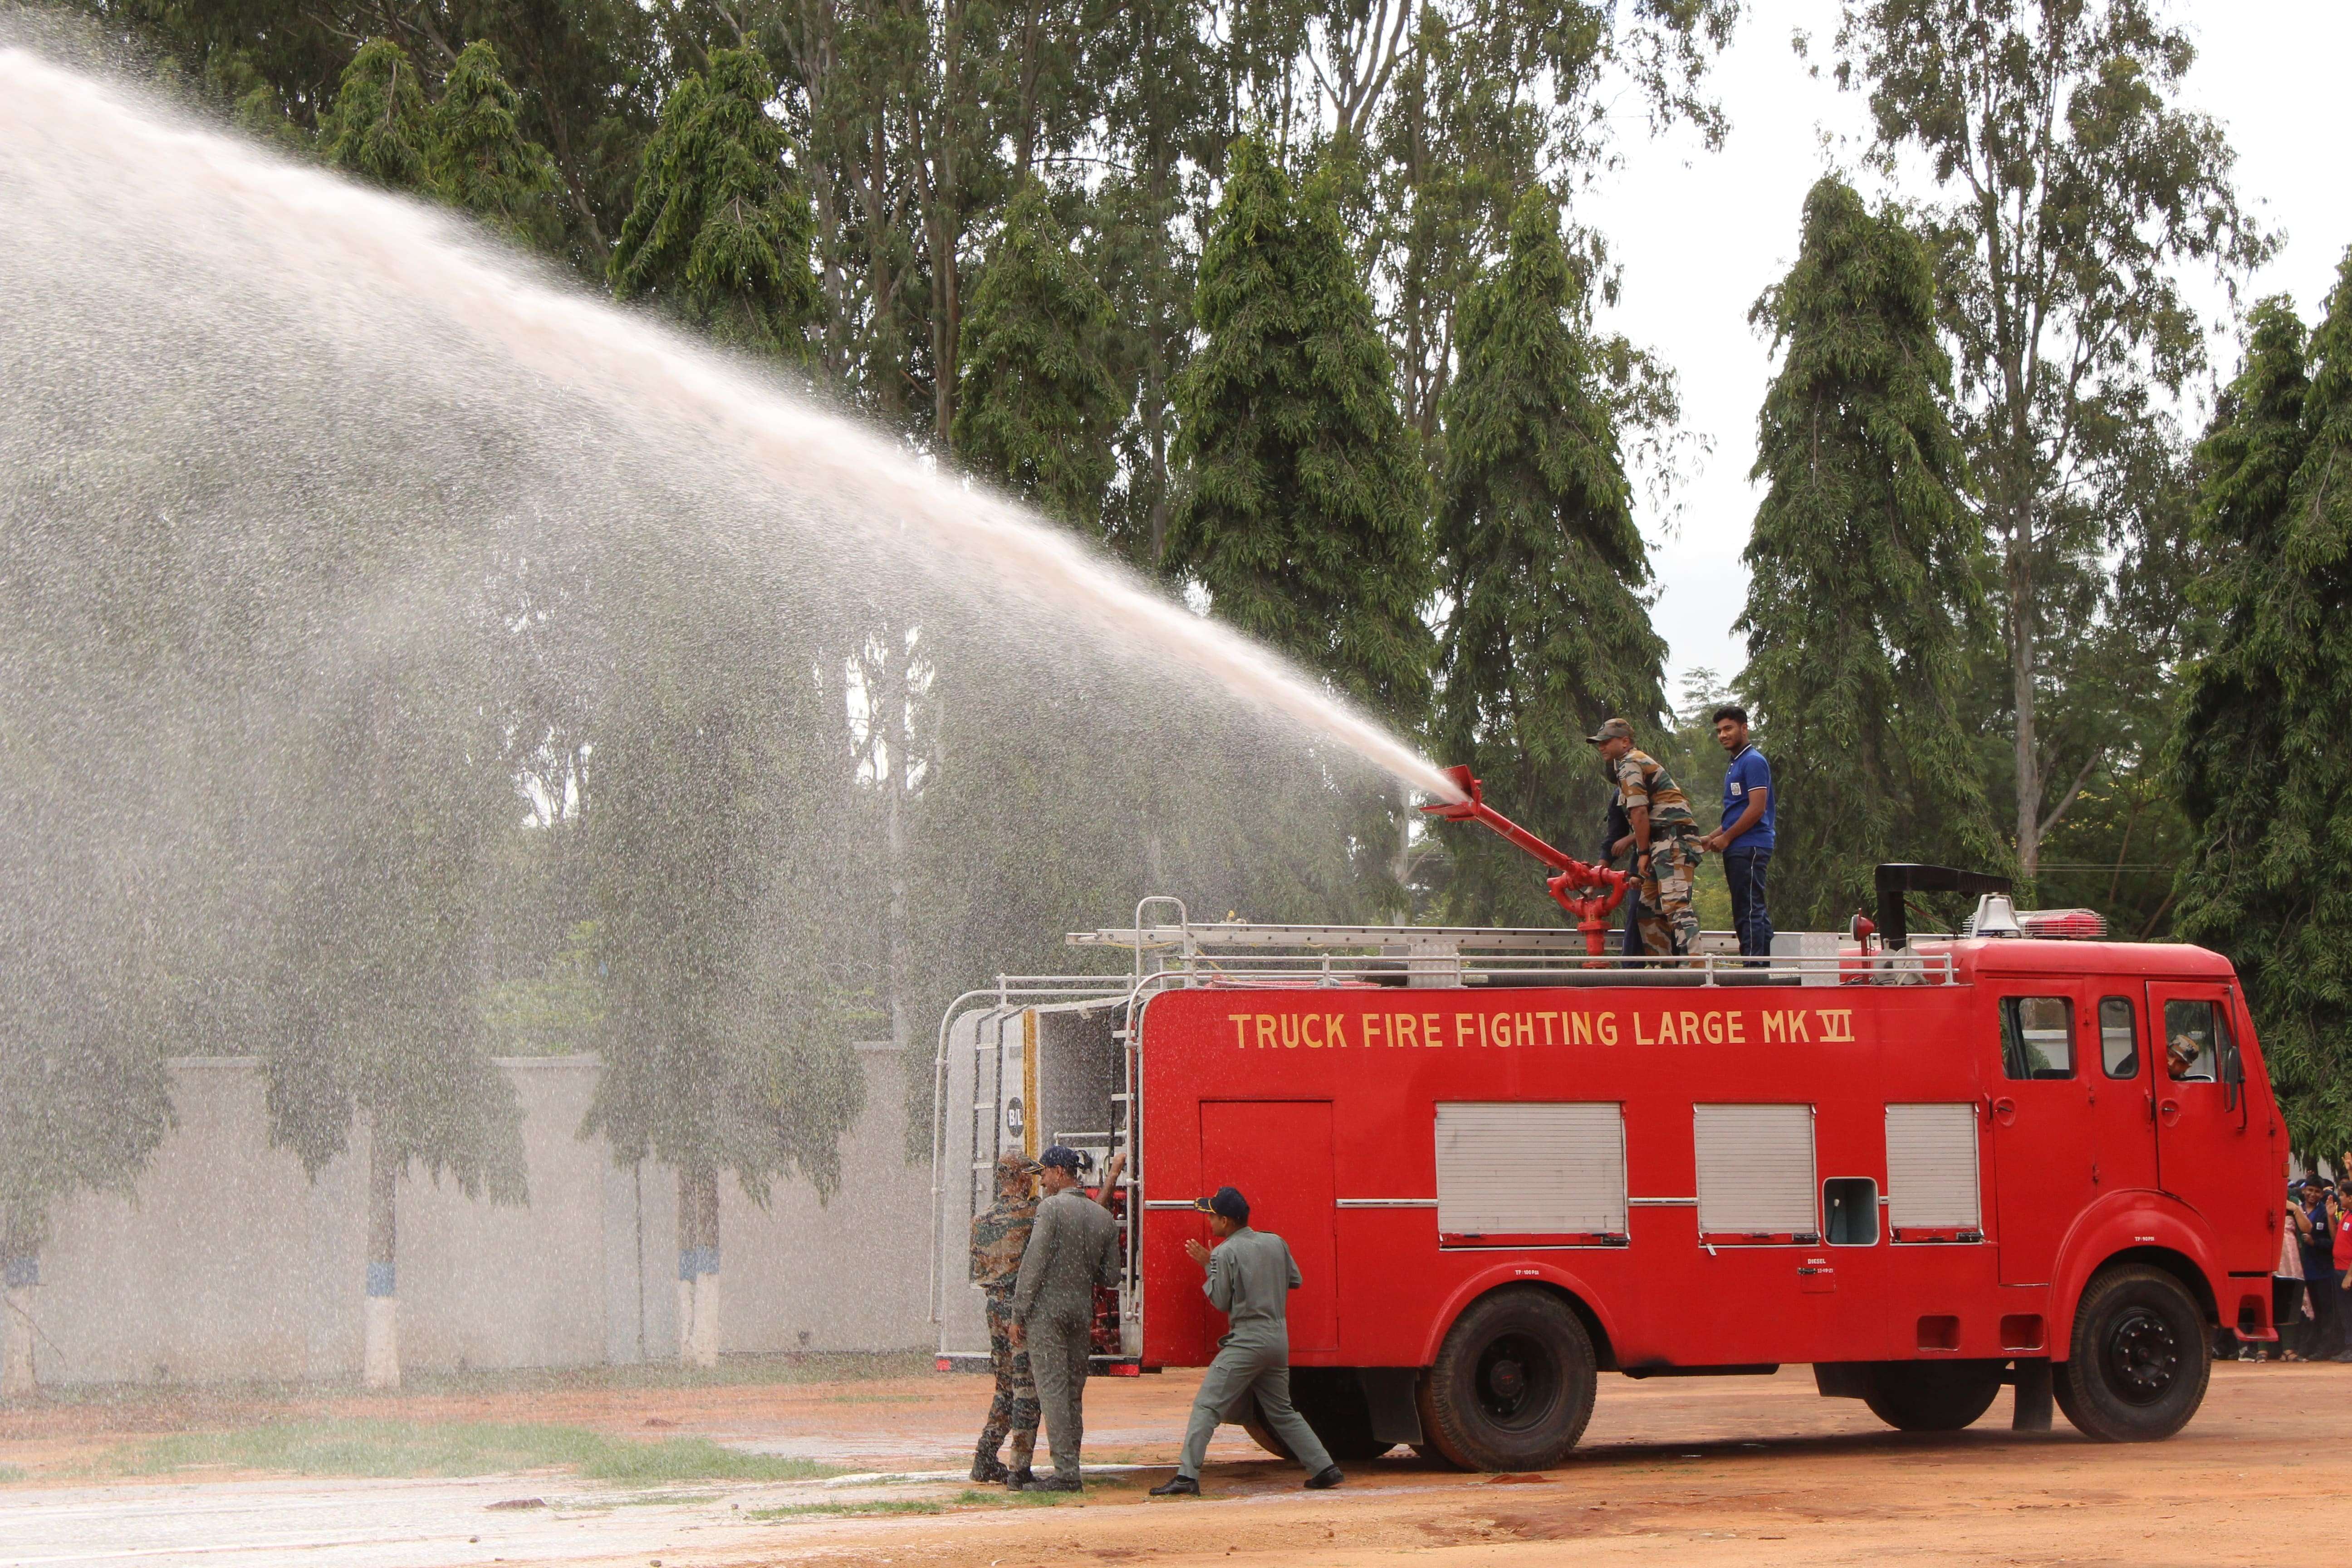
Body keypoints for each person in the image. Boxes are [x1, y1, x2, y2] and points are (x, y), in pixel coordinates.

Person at [1150, 1187, 1343, 1497]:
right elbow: (1296, 1280)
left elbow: (1220, 1300)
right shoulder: (1275, 1242)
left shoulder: (1225, 1252)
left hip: (1248, 1340)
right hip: (1278, 1338)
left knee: (1207, 1406)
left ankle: (1187, 1477)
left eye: (1212, 1216)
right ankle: (1324, 1468)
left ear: (1226, 1222)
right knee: (1282, 1411)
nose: (1209, 1221)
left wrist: (1208, 1264)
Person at [1009, 1145, 1121, 1491]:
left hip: (1048, 1313)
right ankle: (1071, 1464)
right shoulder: (1101, 1217)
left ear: (1059, 1173)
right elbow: (1112, 1277)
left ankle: (1066, 1474)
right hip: (1080, 1311)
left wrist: (1018, 1313)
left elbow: (1033, 1265)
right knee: (1073, 1393)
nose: (1041, 1181)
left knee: (1053, 1392)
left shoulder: (1051, 1209)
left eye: (1044, 1173)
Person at [1588, 717, 1700, 957]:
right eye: (1600, 743)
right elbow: (1622, 827)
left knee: (1676, 906)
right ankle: (1661, 970)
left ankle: (1696, 968)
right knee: (1648, 909)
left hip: (1672, 841)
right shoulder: (1626, 766)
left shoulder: (1630, 762)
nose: (1602, 747)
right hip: (1660, 842)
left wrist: (1643, 853)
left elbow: (1639, 811)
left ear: (1625, 742)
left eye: (1607, 741)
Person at [967, 1152, 1044, 1483]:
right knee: (1028, 1389)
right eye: (1030, 1175)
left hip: (994, 1308)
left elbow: (978, 1269)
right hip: (1019, 1313)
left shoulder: (981, 1219)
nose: (1033, 1181)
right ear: (1021, 1178)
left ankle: (985, 1456)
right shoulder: (1032, 1214)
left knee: (1005, 1387)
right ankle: (1019, 1468)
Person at [1697, 705, 1774, 960]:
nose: (1722, 735)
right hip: (1738, 846)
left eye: (1728, 728)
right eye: (1719, 731)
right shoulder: (1736, 763)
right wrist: (1712, 836)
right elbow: (1737, 812)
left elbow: (1757, 808)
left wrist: (1728, 837)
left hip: (1750, 845)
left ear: (1744, 728)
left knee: (1748, 908)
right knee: (1752, 908)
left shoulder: (1753, 761)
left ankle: (1753, 971)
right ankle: (1766, 965)